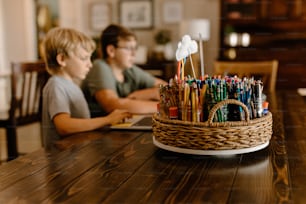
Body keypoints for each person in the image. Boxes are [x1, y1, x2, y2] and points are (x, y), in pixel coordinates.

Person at [41, 27, 132, 150]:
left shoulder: (71, 85)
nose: (89, 64)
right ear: (62, 59)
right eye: (84, 58)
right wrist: (107, 119)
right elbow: (64, 126)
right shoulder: (56, 86)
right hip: (62, 163)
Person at [82, 24, 167, 117]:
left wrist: (144, 94)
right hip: (100, 129)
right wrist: (162, 107)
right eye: (128, 48)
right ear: (111, 51)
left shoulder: (129, 70)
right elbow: (112, 105)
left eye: (135, 48)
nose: (134, 53)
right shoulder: (99, 67)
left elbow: (165, 88)